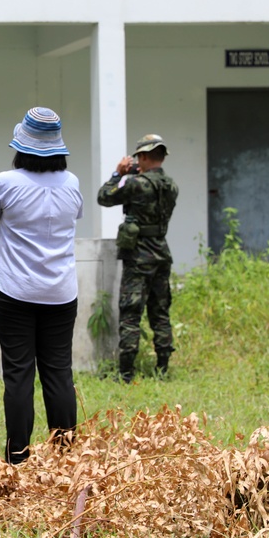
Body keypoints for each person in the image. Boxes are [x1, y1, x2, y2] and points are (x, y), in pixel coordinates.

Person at [0, 107, 83, 465]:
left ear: (22, 146)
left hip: (13, 290)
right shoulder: (71, 183)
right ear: (57, 148)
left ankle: (18, 459)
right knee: (59, 372)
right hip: (60, 292)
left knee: (19, 372)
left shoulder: (6, 182)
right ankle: (66, 459)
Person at [97, 134, 178, 383]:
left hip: (138, 257)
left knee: (131, 313)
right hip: (161, 254)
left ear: (142, 157)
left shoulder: (135, 184)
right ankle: (163, 368)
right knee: (160, 311)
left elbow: (104, 197)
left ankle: (126, 373)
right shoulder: (171, 185)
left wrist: (118, 173)